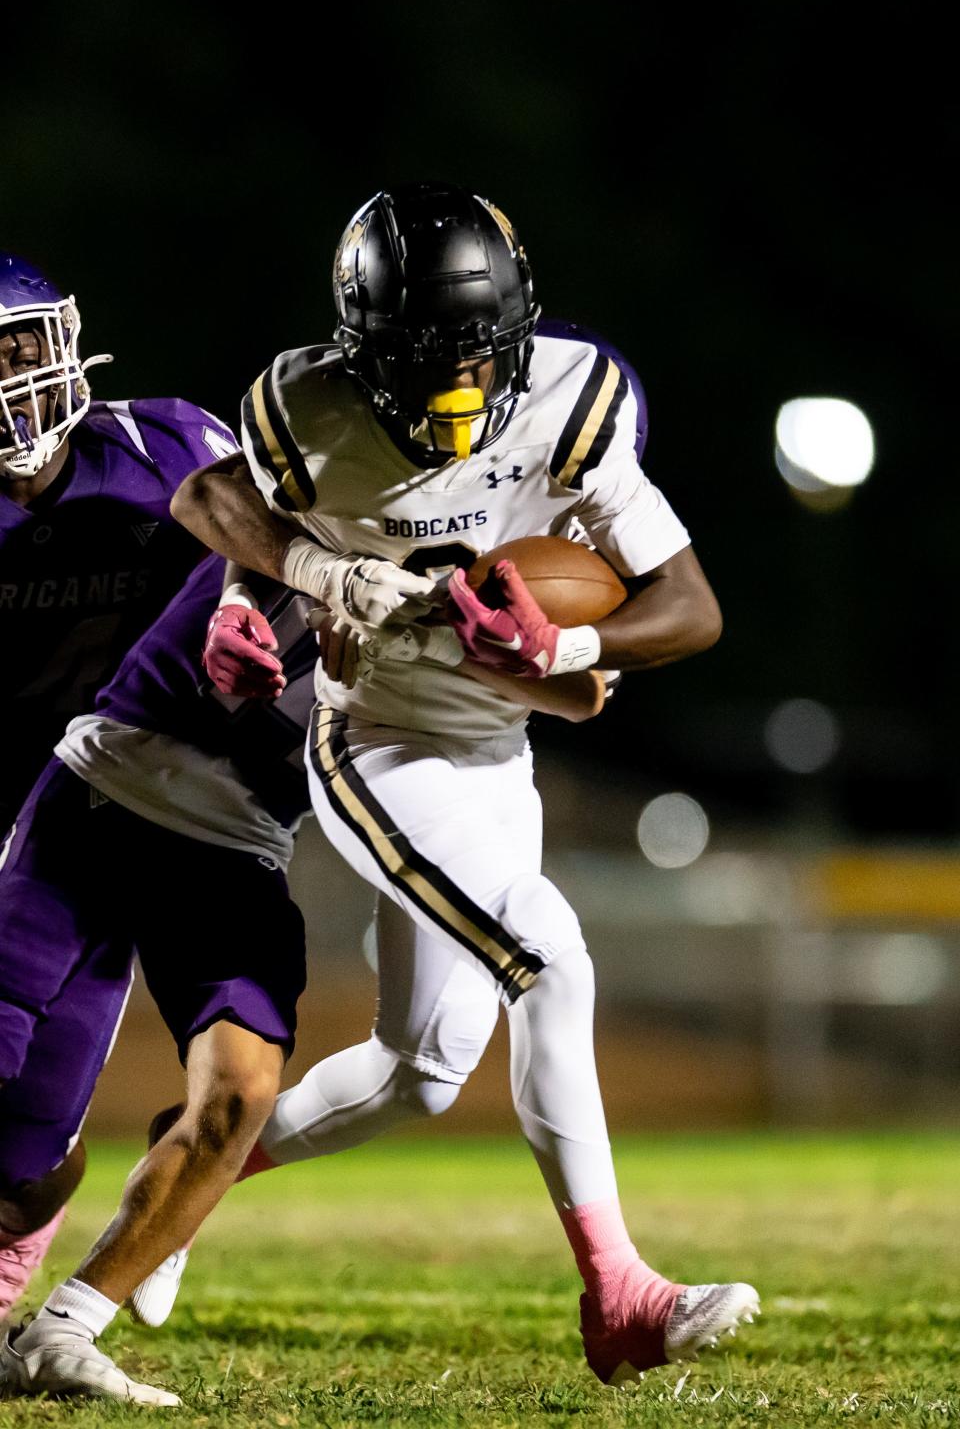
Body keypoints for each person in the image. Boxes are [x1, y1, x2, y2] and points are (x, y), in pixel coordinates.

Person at [162, 183, 759, 1387]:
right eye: (423, 366)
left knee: (420, 1073)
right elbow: (216, 499)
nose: (456, 394)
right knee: (551, 956)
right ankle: (620, 1294)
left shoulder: (572, 398)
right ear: (361, 349)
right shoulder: (305, 403)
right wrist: (263, 597)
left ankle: (173, 1188)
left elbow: (689, 605)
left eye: (478, 361)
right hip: (379, 740)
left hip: (501, 747)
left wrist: (570, 647)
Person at [0, 558, 609, 1405]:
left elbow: (587, 694)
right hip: (112, 780)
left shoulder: (479, 578)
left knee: (241, 1096)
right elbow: (224, 498)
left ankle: (61, 1333)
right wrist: (299, 582)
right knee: (15, 1100)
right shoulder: (311, 503)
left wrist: (532, 648)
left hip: (239, 840)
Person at [0, 254, 238, 1327]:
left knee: (33, 1142)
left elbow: (282, 548)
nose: (14, 379)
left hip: (115, 815)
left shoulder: (165, 448)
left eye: (20, 347)